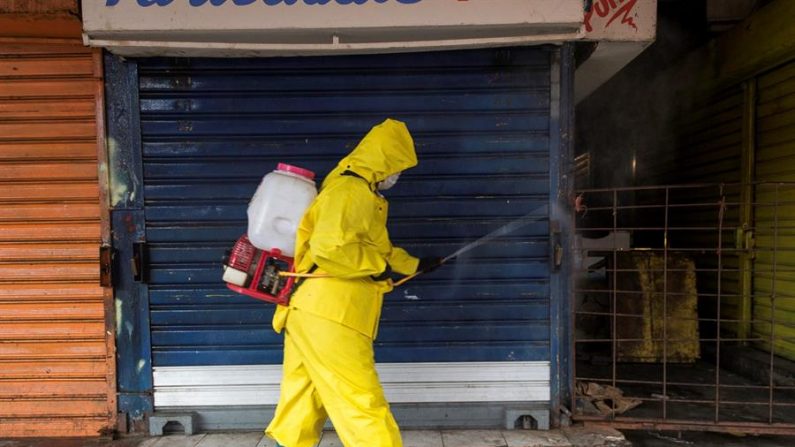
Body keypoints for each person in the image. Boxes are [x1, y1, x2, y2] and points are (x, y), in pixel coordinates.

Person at [265, 119, 444, 447]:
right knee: (361, 401)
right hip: (332, 316)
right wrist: (376, 268)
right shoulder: (350, 191)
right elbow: (329, 248)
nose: (398, 175)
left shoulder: (363, 193)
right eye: (397, 166)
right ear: (383, 160)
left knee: (302, 402)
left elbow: (379, 249)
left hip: (312, 311)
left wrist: (414, 264)